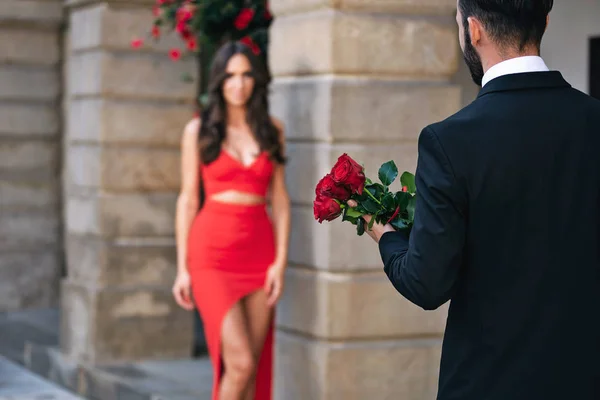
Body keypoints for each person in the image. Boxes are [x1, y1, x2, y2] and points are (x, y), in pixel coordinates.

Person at [352, 0, 600, 399]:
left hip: (487, 383)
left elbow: (426, 283)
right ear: (546, 22)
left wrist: (385, 235)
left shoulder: (448, 141)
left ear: (474, 30)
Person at [172, 41, 291, 400]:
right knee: (238, 364)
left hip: (259, 252)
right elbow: (188, 199)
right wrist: (182, 268)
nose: (238, 84)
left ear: (255, 80)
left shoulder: (272, 129)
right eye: (230, 76)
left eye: (245, 75)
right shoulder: (198, 131)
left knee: (251, 370)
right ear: (219, 81)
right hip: (211, 256)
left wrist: (280, 263)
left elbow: (281, 201)